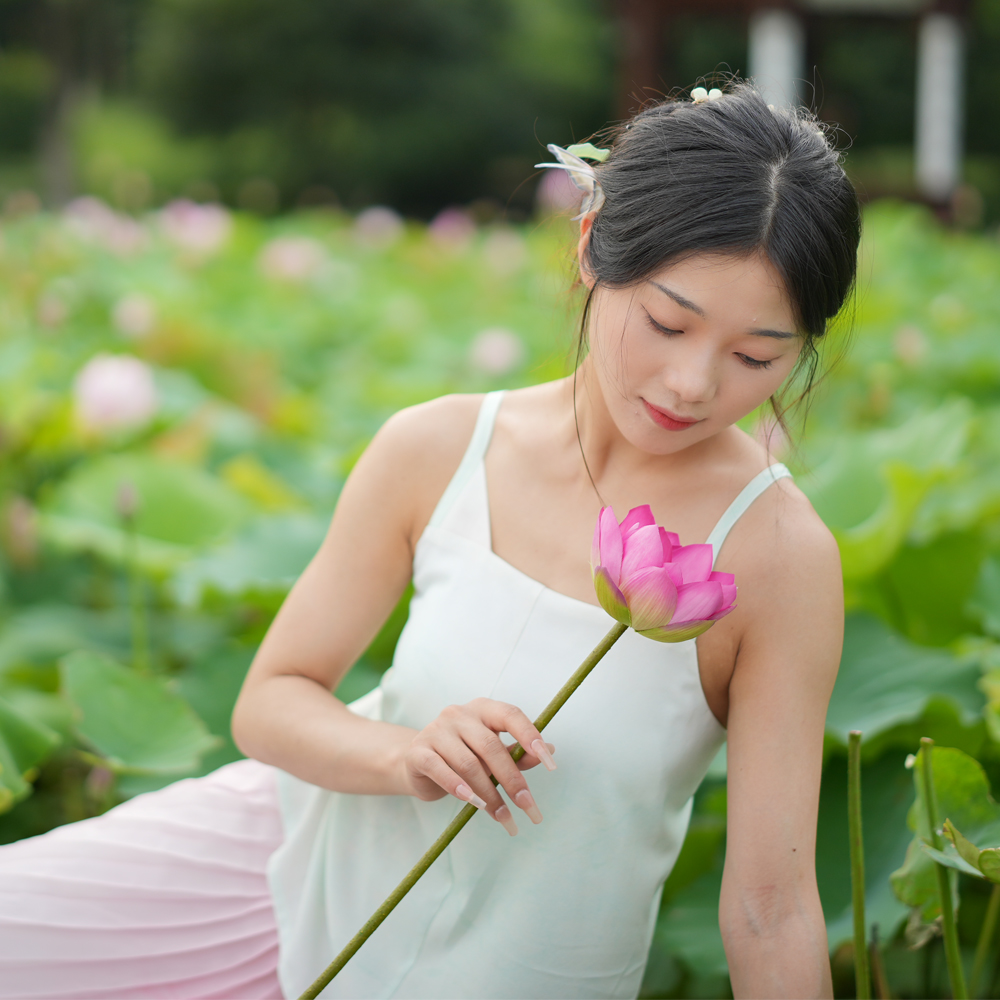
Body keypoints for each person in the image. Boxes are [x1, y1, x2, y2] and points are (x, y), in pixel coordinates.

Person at [0, 81, 859, 1000]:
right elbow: (271, 700)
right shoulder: (439, 446)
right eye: (666, 322)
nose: (692, 383)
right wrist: (404, 756)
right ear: (588, 249)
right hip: (275, 884)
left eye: (756, 357)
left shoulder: (780, 556)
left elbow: (771, 908)